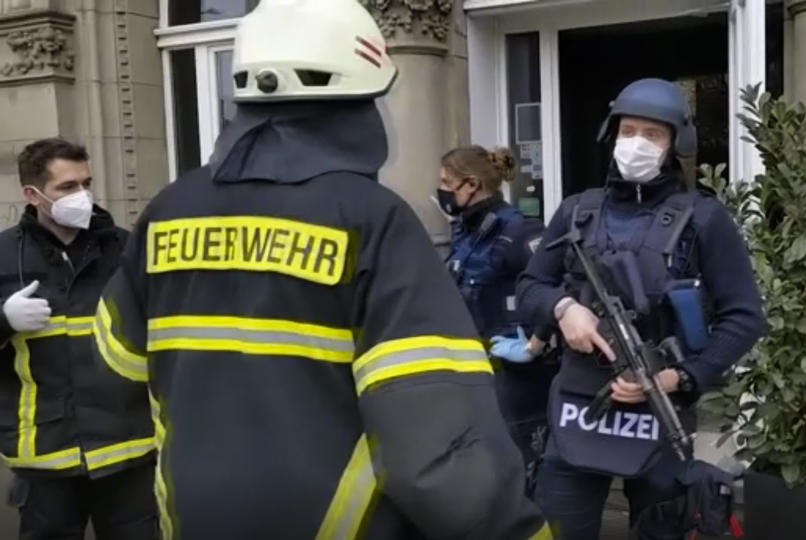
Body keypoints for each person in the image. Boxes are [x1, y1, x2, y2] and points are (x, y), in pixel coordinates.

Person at [91, 1, 549, 539]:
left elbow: (115, 362)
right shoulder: (373, 219)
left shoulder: (167, 209)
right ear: (357, 101)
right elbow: (438, 439)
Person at [517, 78, 766, 540]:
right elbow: (530, 286)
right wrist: (563, 307)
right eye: (628, 131)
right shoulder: (576, 212)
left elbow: (745, 316)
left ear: (674, 144)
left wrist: (682, 376)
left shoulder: (704, 219)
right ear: (612, 135)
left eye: (652, 135)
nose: (637, 143)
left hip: (658, 412)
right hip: (577, 409)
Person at [0, 138, 156, 539]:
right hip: (45, 457)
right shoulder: (3, 256)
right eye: (67, 188)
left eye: (86, 183)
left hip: (129, 450)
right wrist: (3, 320)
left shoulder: (126, 249)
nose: (82, 196)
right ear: (32, 195)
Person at [437, 145, 556, 493]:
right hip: (473, 371)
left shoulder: (520, 231)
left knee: (520, 478)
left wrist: (536, 344)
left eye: (446, 182)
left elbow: (557, 286)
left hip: (516, 380)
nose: (441, 189)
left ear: (470, 184)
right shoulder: (465, 231)